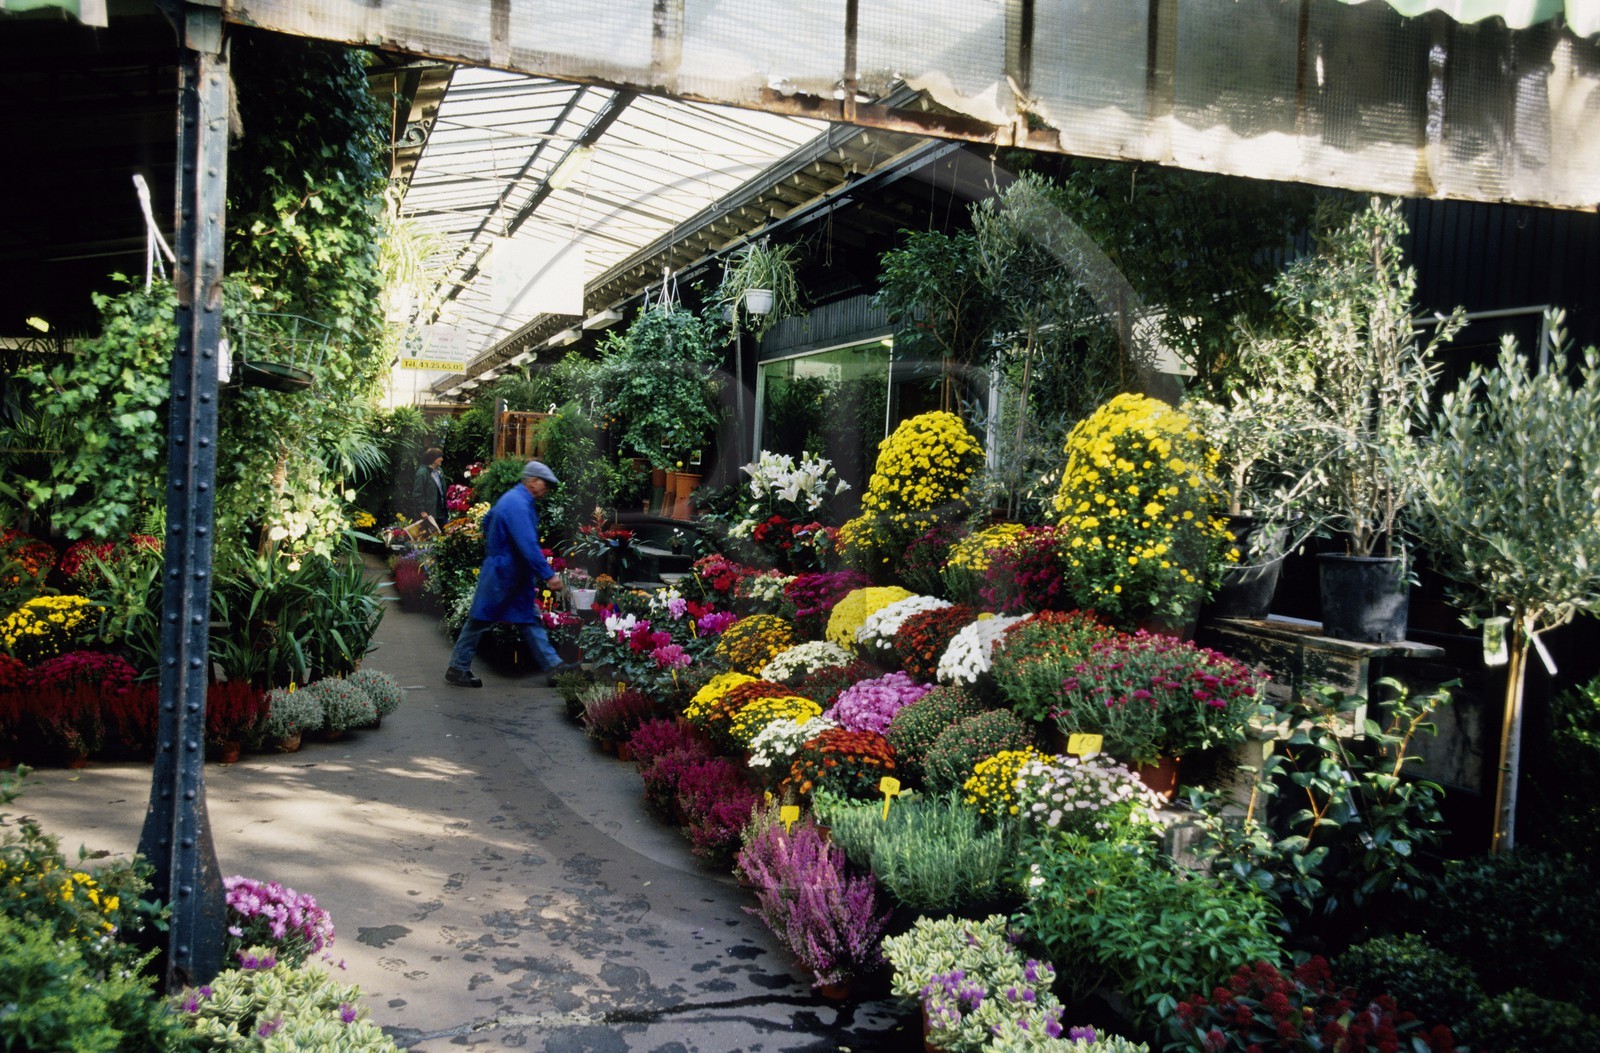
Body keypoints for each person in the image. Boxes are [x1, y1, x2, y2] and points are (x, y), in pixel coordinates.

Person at [444, 460, 577, 687]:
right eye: (545, 484)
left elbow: (488, 521)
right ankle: (457, 667)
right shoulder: (519, 504)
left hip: (504, 570)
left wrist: (498, 546)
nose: (545, 490)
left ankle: (554, 667)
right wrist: (549, 575)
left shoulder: (512, 499)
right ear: (533, 482)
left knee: (524, 618)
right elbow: (528, 545)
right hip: (506, 573)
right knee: (485, 620)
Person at [411, 447, 447, 526]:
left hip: (442, 510)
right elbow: (418, 494)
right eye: (439, 457)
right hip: (430, 512)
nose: (442, 459)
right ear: (433, 458)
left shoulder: (439, 471)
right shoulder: (422, 473)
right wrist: (422, 511)